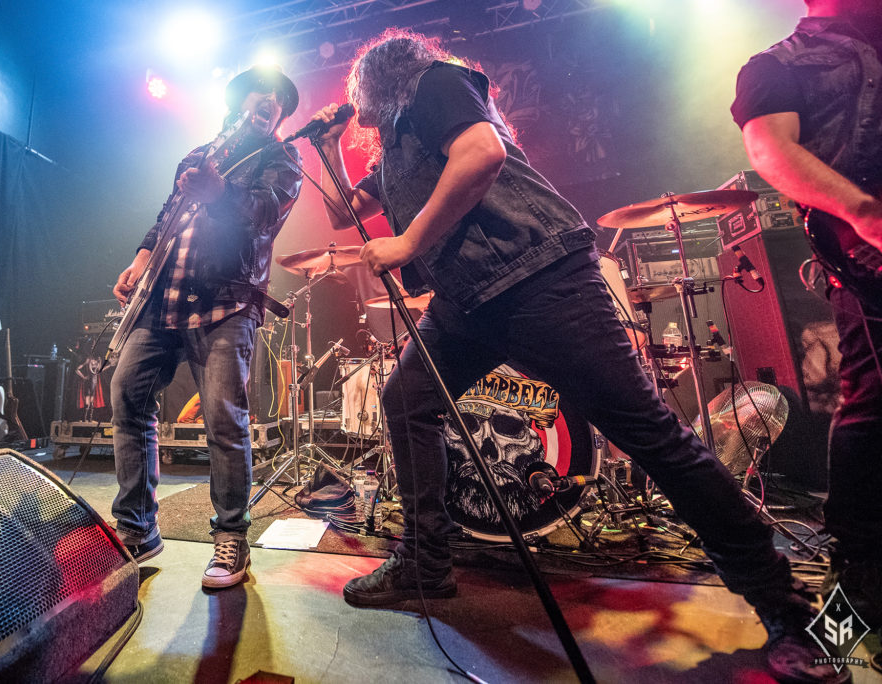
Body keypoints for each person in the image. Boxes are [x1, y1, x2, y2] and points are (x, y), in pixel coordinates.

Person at [312, 29, 845, 682]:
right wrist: (331, 143)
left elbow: (479, 154)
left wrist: (409, 242)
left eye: (354, 95)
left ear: (375, 79)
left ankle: (786, 606)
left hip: (539, 279)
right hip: (471, 299)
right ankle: (425, 561)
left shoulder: (436, 84)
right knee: (406, 399)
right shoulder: (395, 150)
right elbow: (342, 211)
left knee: (651, 436)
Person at [110, 66, 302, 589]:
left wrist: (219, 192)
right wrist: (140, 258)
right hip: (163, 297)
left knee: (223, 418)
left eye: (277, 102)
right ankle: (136, 531)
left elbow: (263, 214)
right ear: (237, 101)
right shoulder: (197, 154)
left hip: (226, 304)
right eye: (259, 97)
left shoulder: (281, 159)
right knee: (127, 395)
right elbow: (166, 215)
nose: (268, 104)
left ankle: (232, 538)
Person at [733, 0, 882, 673]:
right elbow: (769, 149)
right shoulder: (777, 66)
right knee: (873, 409)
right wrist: (862, 212)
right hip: (870, 256)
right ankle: (845, 612)